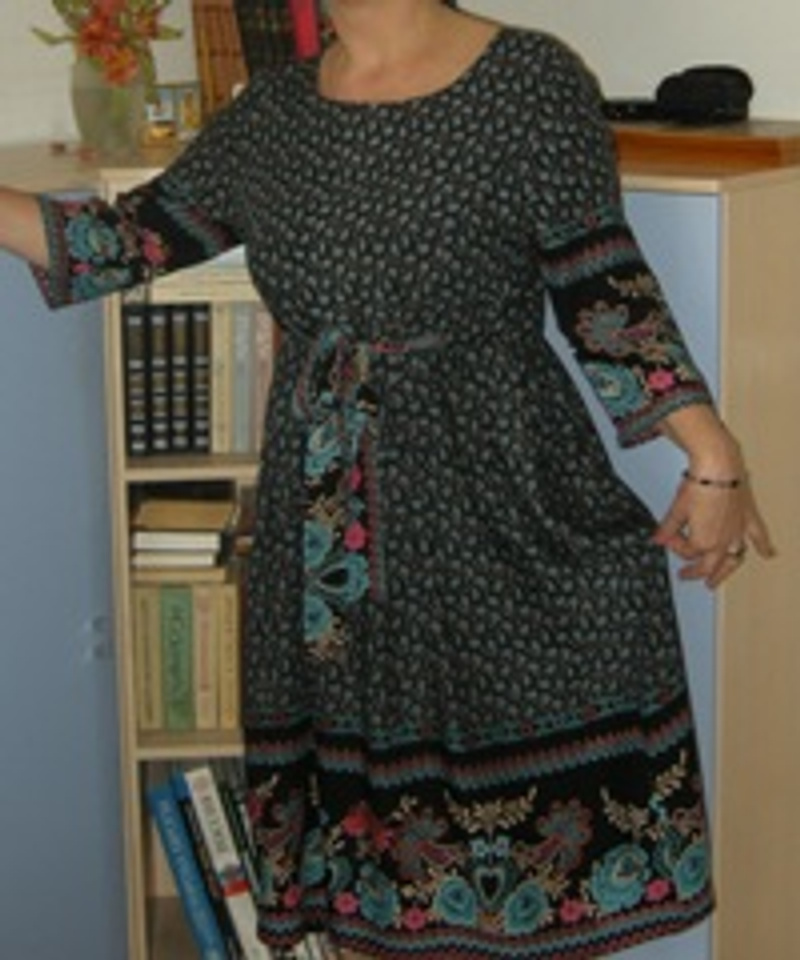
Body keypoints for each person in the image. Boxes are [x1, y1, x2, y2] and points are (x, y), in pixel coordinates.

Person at [0, 2, 774, 958]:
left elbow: (598, 277)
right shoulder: (272, 112)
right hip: (329, 522)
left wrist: (711, 455)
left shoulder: (527, 82)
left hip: (496, 489)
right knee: (365, 852)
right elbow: (120, 244)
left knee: (506, 826)